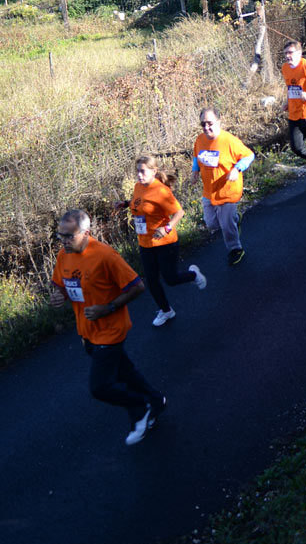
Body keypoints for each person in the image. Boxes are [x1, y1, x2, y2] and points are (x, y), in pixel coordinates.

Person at [50, 209, 166, 446]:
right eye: (60, 235)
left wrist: (108, 307)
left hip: (111, 330)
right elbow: (63, 286)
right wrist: (59, 296)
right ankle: (156, 400)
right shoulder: (64, 255)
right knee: (125, 372)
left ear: (86, 233)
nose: (64, 241)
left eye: (69, 236)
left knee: (100, 386)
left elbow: (137, 286)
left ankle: (140, 408)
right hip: (87, 332)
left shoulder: (105, 256)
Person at [117, 157, 207, 327]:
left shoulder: (161, 191)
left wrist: (167, 227)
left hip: (165, 242)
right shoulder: (138, 186)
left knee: (170, 279)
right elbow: (139, 203)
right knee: (151, 280)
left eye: (142, 171)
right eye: (137, 171)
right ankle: (166, 310)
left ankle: (193, 275)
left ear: (154, 171)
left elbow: (179, 212)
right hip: (145, 243)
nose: (139, 175)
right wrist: (126, 204)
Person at [192, 108, 255, 265]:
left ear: (219, 122)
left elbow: (249, 155)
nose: (206, 127)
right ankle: (235, 218)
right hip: (209, 190)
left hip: (227, 190)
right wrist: (195, 171)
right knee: (212, 223)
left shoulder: (229, 141)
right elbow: (196, 155)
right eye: (203, 124)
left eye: (210, 123)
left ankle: (236, 249)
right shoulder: (200, 139)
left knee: (226, 225)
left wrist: (237, 168)